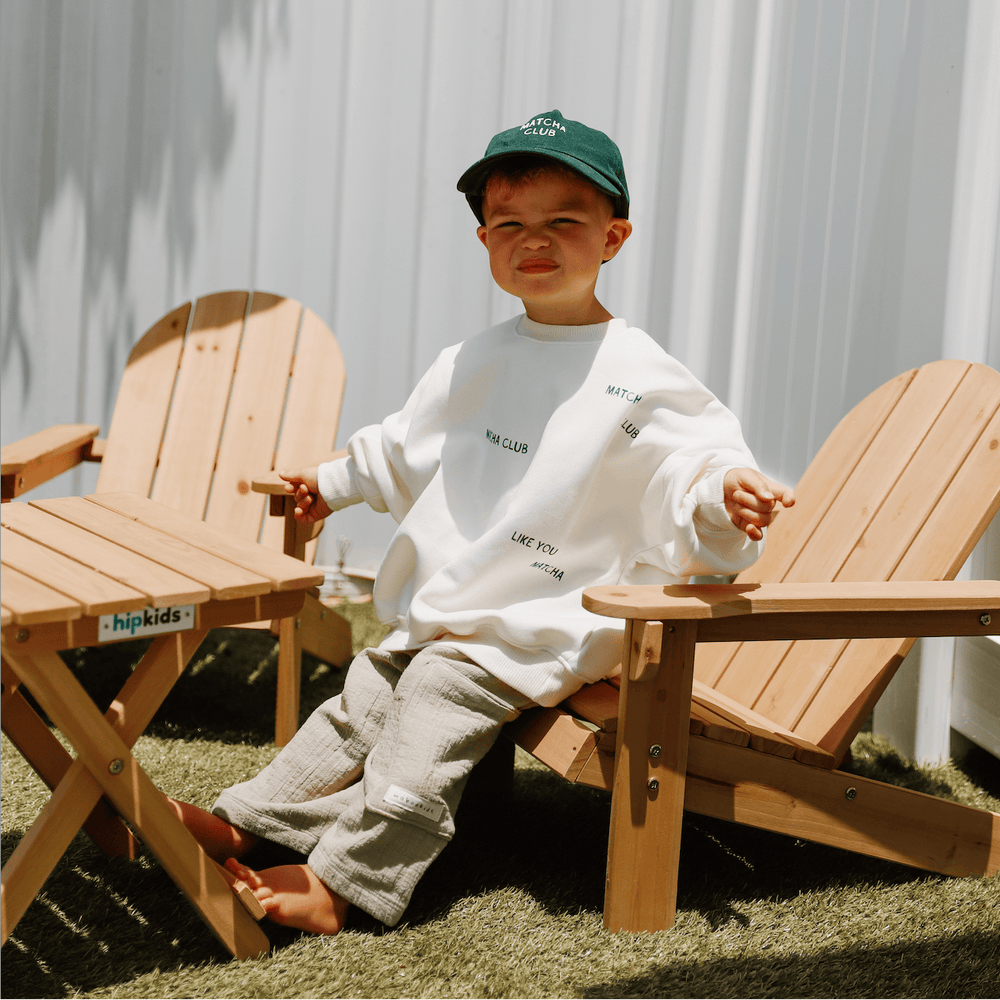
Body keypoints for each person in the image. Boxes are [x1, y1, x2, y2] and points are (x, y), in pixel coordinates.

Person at [171, 109, 794, 935]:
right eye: (510, 225)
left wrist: (726, 497)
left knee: (433, 694)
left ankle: (347, 885)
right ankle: (250, 820)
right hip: (454, 605)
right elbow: (401, 444)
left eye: (563, 222)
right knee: (367, 694)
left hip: (547, 618)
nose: (534, 241)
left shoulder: (641, 377)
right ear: (486, 244)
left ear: (614, 237)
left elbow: (695, 469)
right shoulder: (473, 360)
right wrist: (328, 482)